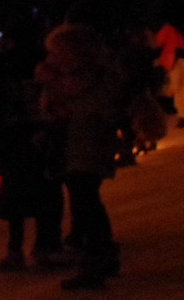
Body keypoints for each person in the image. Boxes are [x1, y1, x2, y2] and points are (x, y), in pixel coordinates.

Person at [40, 21, 125, 290]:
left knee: (85, 202)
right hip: (73, 143)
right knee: (86, 200)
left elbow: (105, 106)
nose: (53, 57)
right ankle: (104, 255)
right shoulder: (59, 77)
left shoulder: (98, 74)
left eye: (58, 51)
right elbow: (48, 106)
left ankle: (95, 260)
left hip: (91, 142)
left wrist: (68, 108)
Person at [0, 25, 65, 272]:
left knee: (17, 196)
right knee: (45, 192)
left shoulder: (4, 65)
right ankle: (45, 246)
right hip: (38, 134)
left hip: (15, 137)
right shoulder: (44, 60)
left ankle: (17, 249)